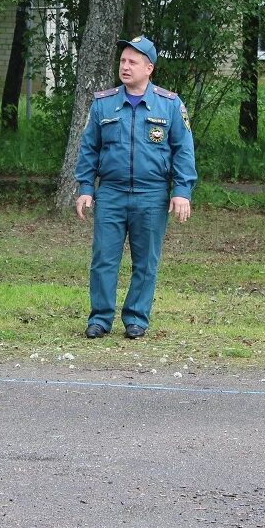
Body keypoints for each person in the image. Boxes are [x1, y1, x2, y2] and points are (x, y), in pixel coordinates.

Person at [74, 35, 197, 339]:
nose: (125, 67)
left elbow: (183, 149)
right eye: (123, 61)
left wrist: (182, 191)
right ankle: (100, 318)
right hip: (112, 193)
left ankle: (136, 318)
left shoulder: (169, 105)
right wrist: (86, 187)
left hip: (152, 194)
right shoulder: (104, 104)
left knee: (146, 261)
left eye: (133, 62)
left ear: (149, 68)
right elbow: (89, 148)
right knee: (104, 258)